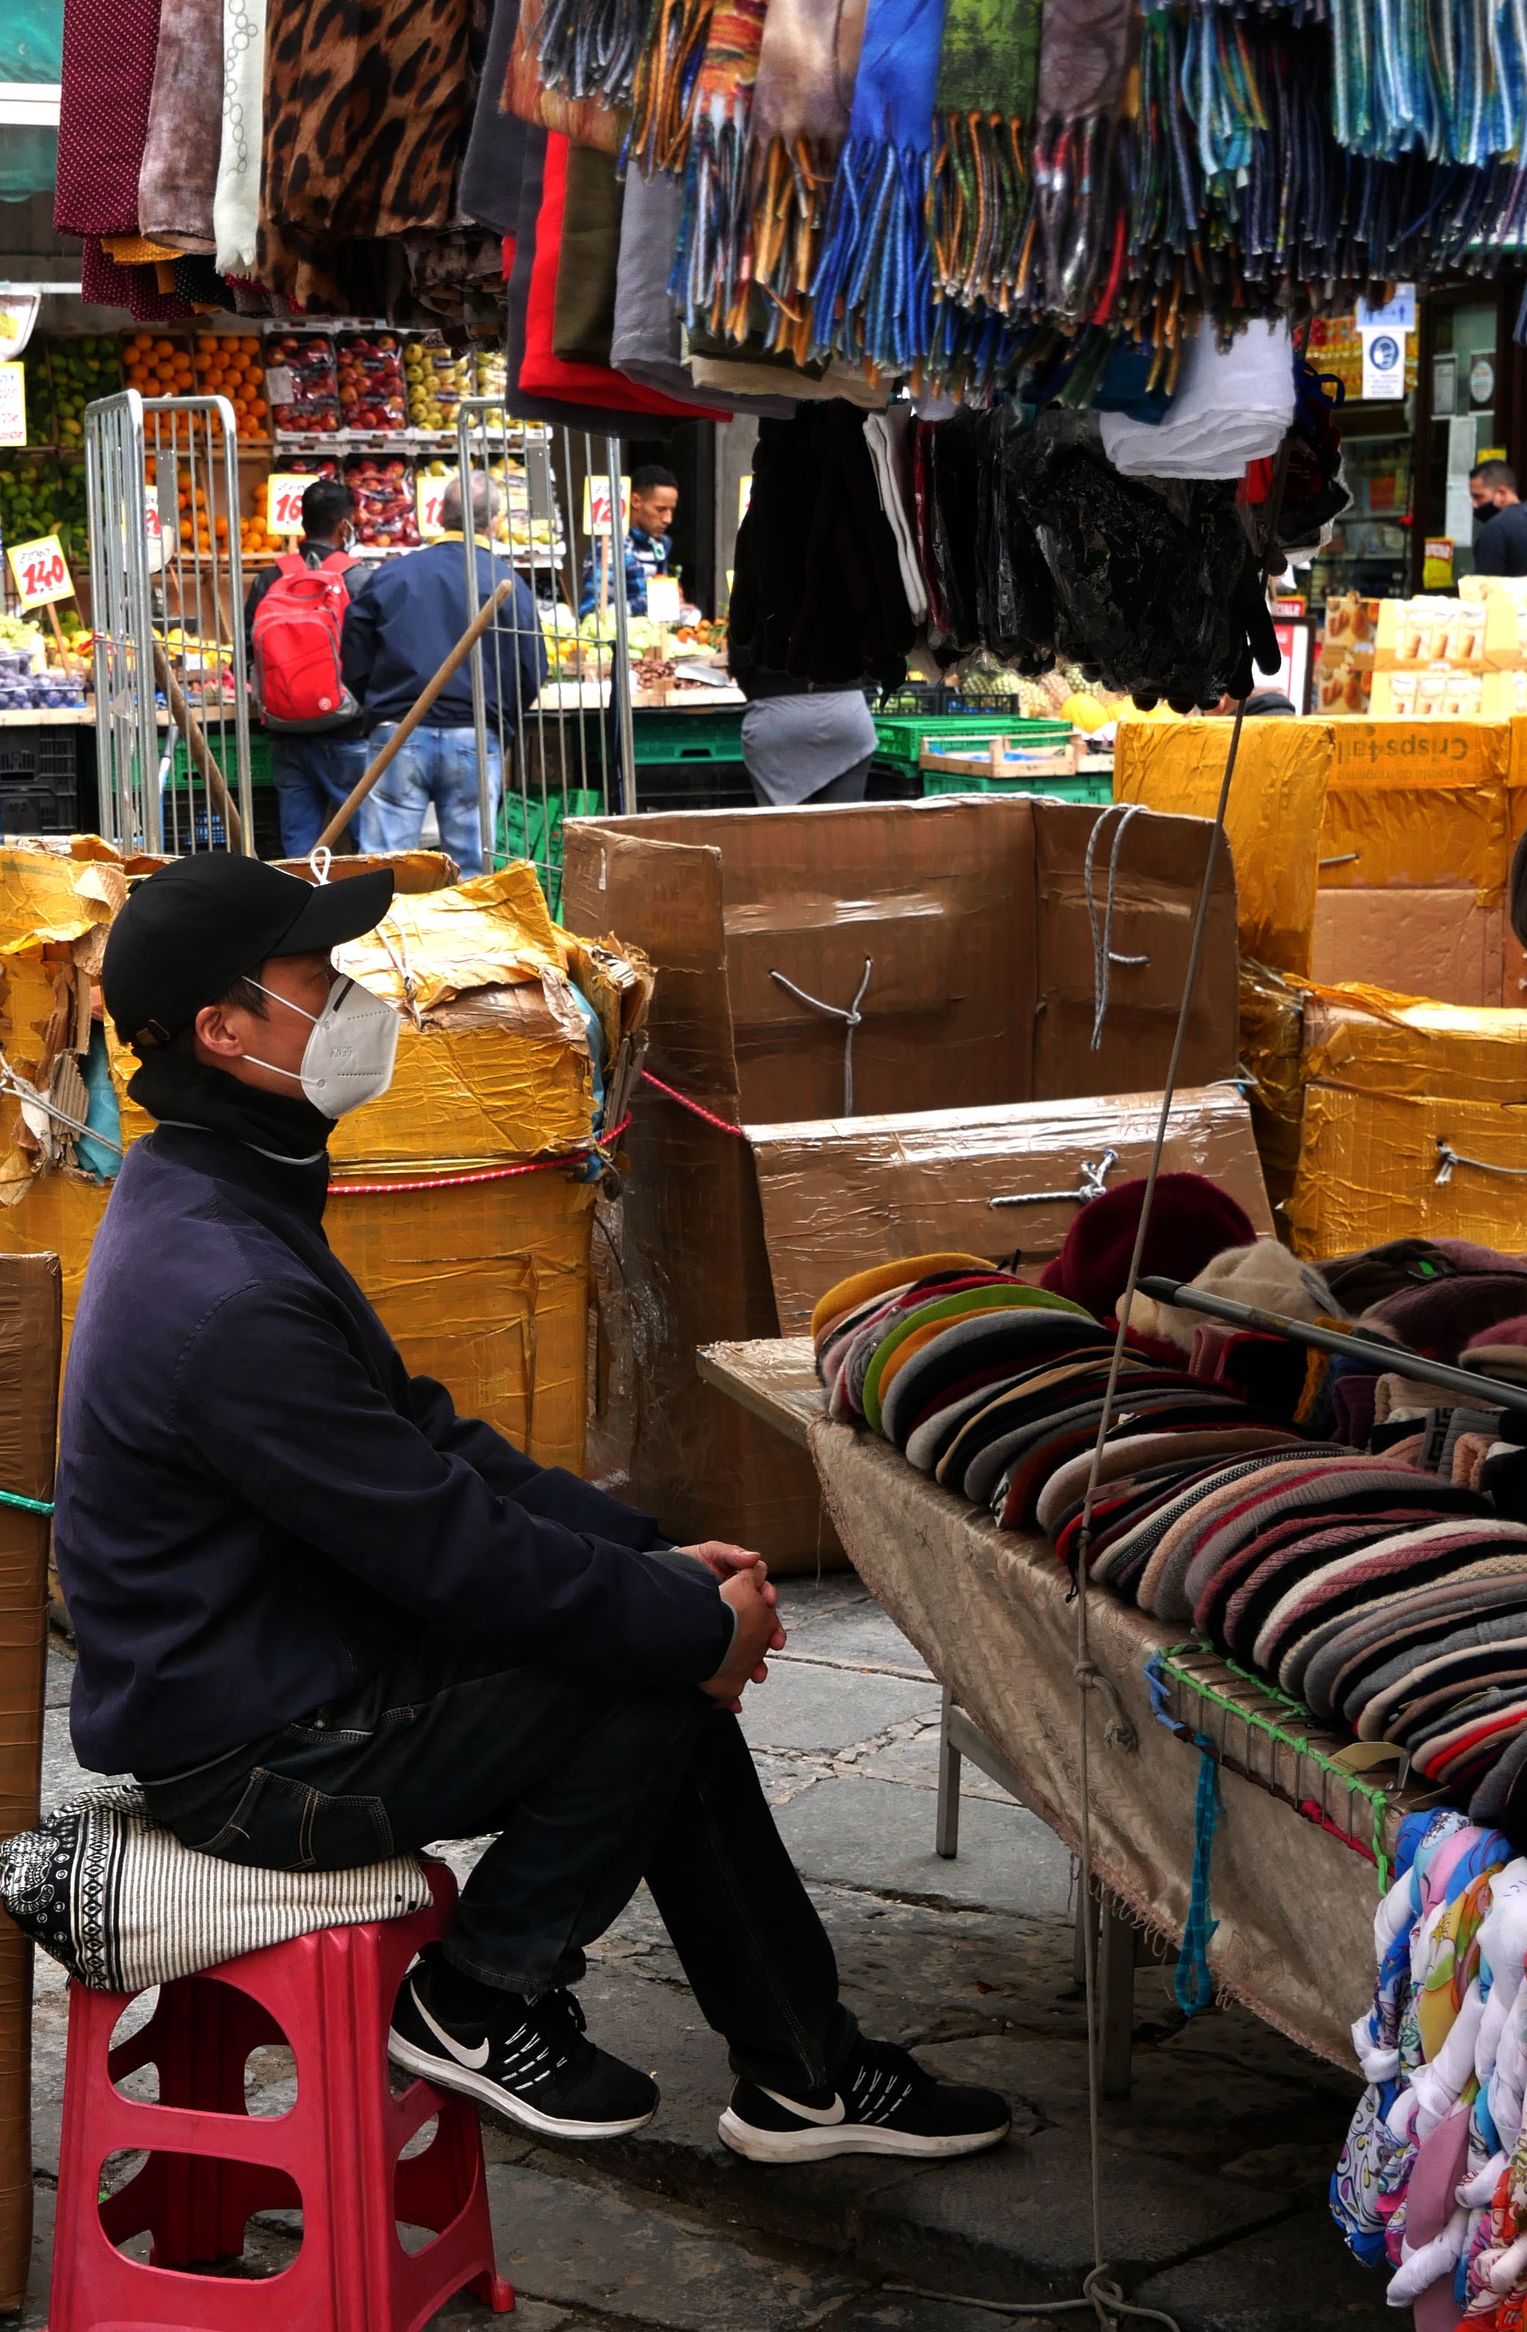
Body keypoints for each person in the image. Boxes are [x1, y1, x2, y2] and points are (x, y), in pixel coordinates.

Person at [54, 851, 1012, 2162]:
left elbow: (427, 1443)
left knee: (657, 1637)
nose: (350, 1001)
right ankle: (481, 1991)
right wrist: (687, 1628)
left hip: (298, 1669)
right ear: (225, 1033)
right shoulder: (224, 1289)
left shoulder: (222, 1194)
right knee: (650, 1679)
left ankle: (806, 2071)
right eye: (312, 982)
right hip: (260, 1753)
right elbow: (448, 1549)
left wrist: (651, 1557)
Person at [340, 470, 544, 877]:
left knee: (383, 870)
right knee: (470, 875)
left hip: (398, 731)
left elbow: (354, 650)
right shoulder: (507, 583)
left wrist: (380, 704)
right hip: (474, 734)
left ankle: (380, 939)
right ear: (496, 521)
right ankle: (465, 941)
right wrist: (498, 717)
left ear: (437, 515)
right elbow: (531, 667)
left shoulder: (393, 575)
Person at [247, 479, 374, 858]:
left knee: (298, 850)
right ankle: (375, 914)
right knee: (370, 845)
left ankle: (299, 913)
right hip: (346, 731)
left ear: (302, 523)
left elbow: (246, 654)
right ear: (344, 527)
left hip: (286, 733)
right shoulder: (359, 579)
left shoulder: (269, 579)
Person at [578, 461, 679, 620]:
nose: (668, 519)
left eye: (671, 510)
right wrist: (650, 603)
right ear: (636, 501)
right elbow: (591, 614)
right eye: (660, 509)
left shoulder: (661, 545)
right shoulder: (611, 550)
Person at [1470, 460, 1527, 577]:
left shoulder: (1495, 529)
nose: (1474, 504)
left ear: (1502, 493)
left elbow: (1485, 588)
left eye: (1478, 496)